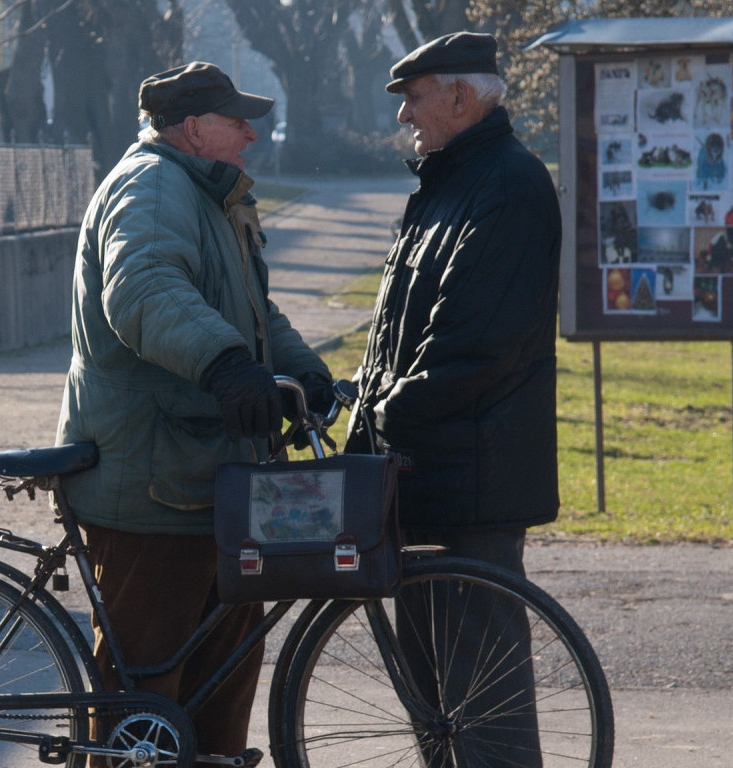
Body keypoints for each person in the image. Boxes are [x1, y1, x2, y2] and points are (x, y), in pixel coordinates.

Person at [54, 61, 332, 762]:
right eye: (237, 120)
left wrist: (303, 372)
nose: (251, 133)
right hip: (153, 486)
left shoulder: (209, 193)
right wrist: (227, 365)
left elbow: (253, 310)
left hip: (211, 478)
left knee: (223, 681)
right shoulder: (151, 188)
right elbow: (143, 291)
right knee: (144, 695)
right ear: (191, 128)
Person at [345, 31, 561, 766]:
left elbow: (474, 345)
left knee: (482, 713)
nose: (406, 115)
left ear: (461, 98)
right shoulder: (450, 184)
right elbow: (400, 333)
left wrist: (383, 413)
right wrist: (366, 404)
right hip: (429, 478)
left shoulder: (508, 185)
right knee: (438, 710)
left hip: (472, 483)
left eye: (414, 97)